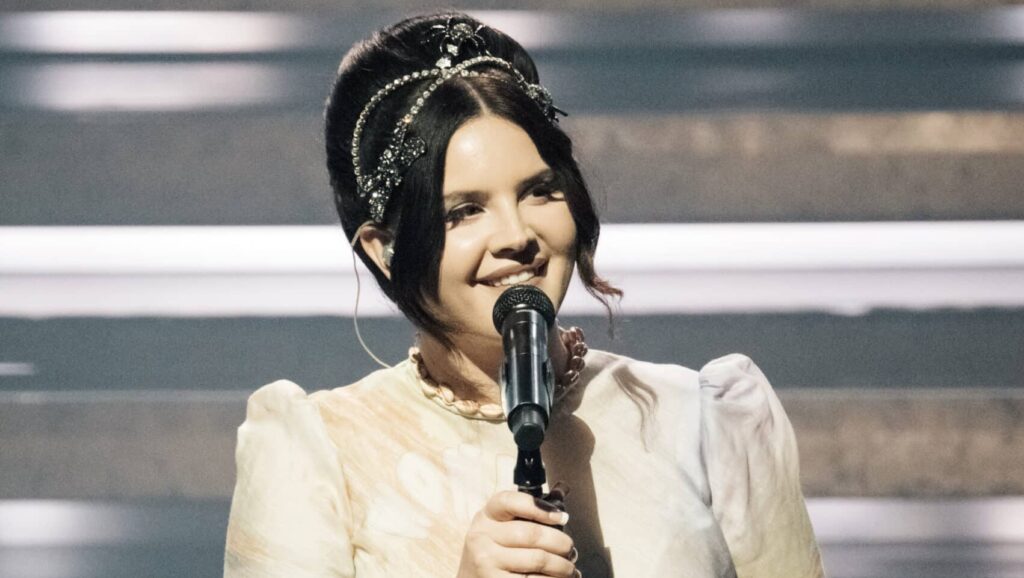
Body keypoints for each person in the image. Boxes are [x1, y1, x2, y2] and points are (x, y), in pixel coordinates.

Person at [224, 11, 824, 578]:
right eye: (464, 211)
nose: (516, 236)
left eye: (539, 190)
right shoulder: (319, 454)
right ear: (383, 249)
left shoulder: (704, 422)